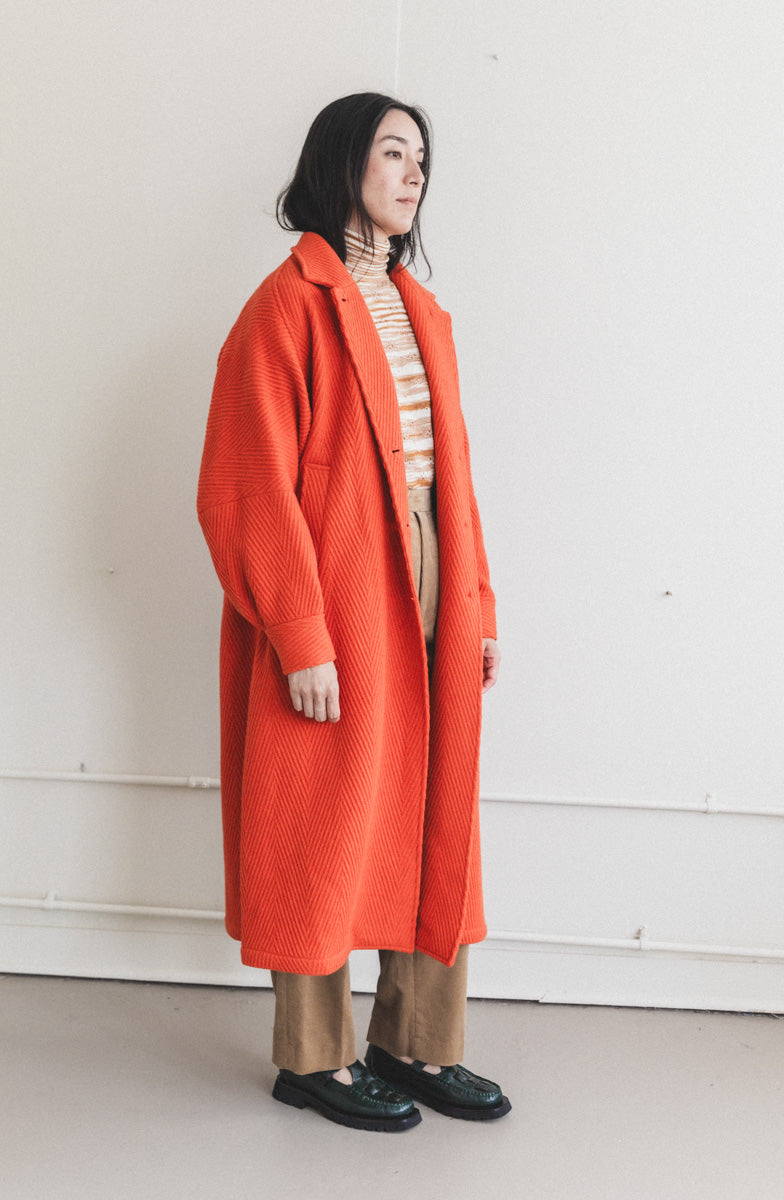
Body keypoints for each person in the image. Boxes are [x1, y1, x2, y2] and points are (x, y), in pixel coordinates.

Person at [197, 92, 509, 1132]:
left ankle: (413, 1041)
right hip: (334, 584)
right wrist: (299, 633)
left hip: (429, 563)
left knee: (435, 805)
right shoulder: (283, 308)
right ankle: (314, 1060)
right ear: (341, 163)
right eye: (392, 153)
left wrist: (476, 603)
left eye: (422, 159)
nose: (413, 175)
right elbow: (247, 488)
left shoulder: (421, 310)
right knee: (324, 815)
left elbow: (452, 475)